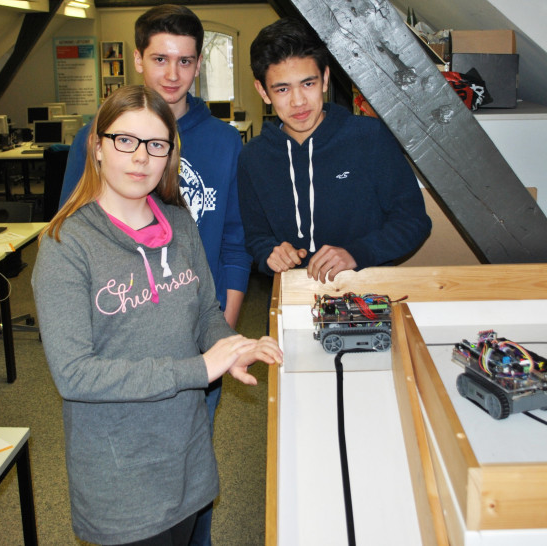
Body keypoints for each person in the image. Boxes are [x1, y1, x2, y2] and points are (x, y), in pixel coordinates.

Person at [32, 85, 282, 546]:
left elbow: (205, 311)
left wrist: (229, 346)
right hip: (120, 473)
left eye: (156, 145)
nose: (141, 158)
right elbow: (74, 375)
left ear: (169, 155)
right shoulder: (66, 244)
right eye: (124, 140)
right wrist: (200, 367)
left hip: (186, 455)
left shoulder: (180, 224)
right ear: (98, 147)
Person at [60, 7, 252, 542]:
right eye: (160, 58)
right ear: (138, 58)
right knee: (137, 480)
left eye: (186, 61)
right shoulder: (94, 136)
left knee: (193, 469)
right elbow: (75, 229)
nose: (172, 73)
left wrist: (221, 341)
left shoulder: (220, 146)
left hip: (200, 330)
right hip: (124, 340)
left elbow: (234, 242)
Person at [238, 18, 431, 281]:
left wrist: (356, 253)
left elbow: (413, 222)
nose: (298, 101)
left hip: (369, 292)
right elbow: (255, 235)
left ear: (325, 78)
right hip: (293, 295)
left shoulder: (370, 137)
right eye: (282, 89)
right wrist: (268, 253)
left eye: (308, 84)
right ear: (262, 91)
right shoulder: (252, 157)